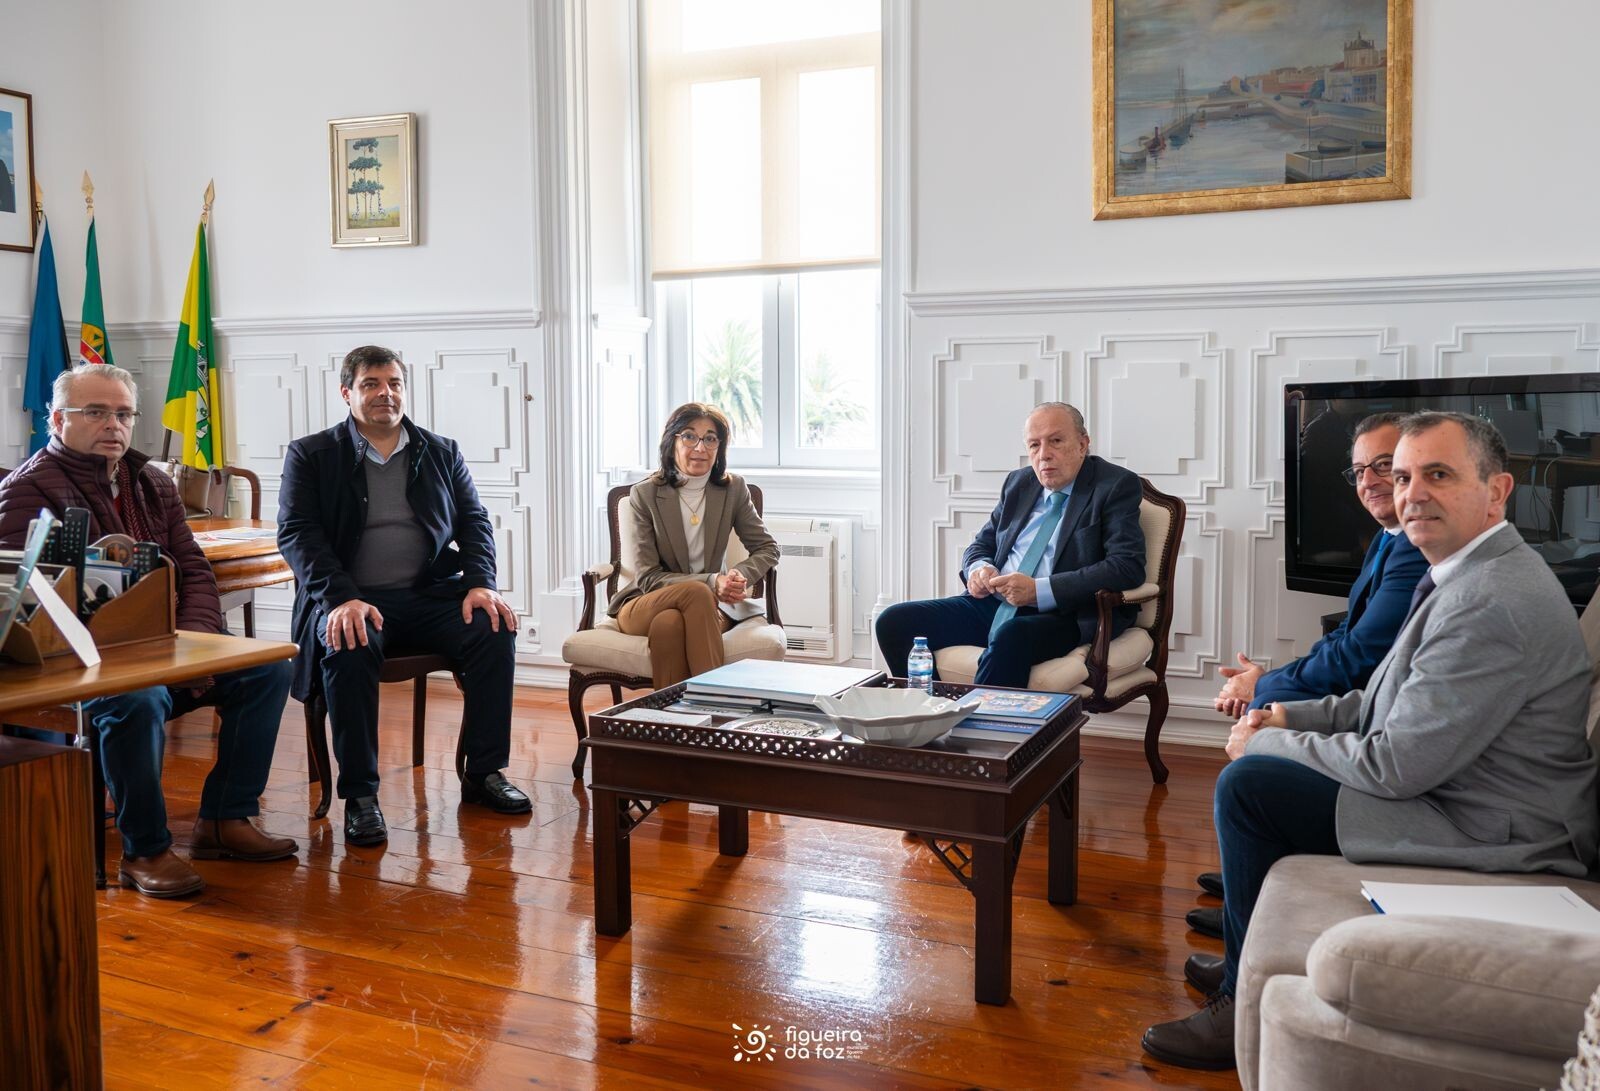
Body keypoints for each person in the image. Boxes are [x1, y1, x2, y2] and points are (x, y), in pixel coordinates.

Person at [1141, 412, 1600, 1071]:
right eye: (1403, 476)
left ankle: (1238, 1000)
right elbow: (1386, 698)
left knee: (1252, 785)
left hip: (1491, 825)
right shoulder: (1464, 571)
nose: (1412, 493)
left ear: (1497, 491)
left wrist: (1262, 744)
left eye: (1438, 474)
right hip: (1457, 787)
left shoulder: (1491, 600)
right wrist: (1286, 718)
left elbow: (1393, 766)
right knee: (1265, 773)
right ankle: (1244, 955)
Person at [0, 365, 296, 898]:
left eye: (123, 413)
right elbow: (30, 606)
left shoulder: (152, 482)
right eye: (95, 412)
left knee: (268, 668)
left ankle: (225, 819)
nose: (112, 424)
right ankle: (145, 850)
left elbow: (195, 571)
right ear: (57, 419)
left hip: (162, 647)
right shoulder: (27, 489)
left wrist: (194, 647)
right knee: (136, 699)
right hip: (77, 667)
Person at [277, 345, 530, 848]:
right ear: (347, 392)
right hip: (352, 600)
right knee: (348, 641)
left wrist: (481, 583)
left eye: (394, 383)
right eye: (371, 384)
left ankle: (484, 773)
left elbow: (475, 522)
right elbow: (297, 533)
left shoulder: (441, 451)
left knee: (493, 627)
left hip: (427, 595)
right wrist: (341, 598)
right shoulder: (312, 454)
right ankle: (361, 796)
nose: (385, 394)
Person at [1189, 412, 1427, 923]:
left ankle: (1250, 893)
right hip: (1370, 699)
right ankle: (1250, 879)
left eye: (1384, 465)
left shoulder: (1415, 550)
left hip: (1380, 719)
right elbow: (1346, 635)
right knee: (1264, 714)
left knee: (1255, 750)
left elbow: (1359, 656)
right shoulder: (1388, 537)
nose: (1368, 481)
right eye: (1358, 471)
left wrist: (1267, 686)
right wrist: (1269, 680)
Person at [874, 402, 1145, 687]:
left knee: (1012, 635)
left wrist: (1038, 591)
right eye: (1034, 445)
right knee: (894, 621)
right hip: (995, 602)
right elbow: (981, 545)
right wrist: (979, 569)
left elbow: (1126, 566)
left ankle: (980, 717)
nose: (1044, 455)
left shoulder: (1114, 485)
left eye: (1055, 441)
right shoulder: (1020, 482)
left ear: (1082, 444)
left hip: (1065, 613)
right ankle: (933, 706)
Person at [607, 402, 778, 687]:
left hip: (709, 607)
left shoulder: (733, 489)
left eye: (710, 438)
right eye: (689, 436)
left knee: (669, 625)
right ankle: (717, 702)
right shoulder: (645, 494)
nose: (700, 447)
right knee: (698, 591)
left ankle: (671, 713)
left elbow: (767, 548)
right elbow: (648, 578)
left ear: (719, 446)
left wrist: (738, 576)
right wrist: (712, 581)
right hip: (644, 603)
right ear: (671, 441)